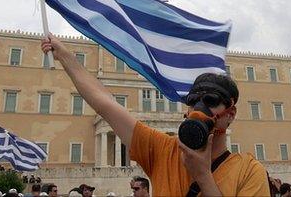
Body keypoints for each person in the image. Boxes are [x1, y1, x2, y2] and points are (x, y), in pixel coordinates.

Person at [41, 34, 269, 196]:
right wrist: (66, 57)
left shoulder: (250, 171)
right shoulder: (163, 151)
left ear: (230, 114)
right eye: (193, 101)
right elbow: (104, 104)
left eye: (211, 101)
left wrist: (203, 176)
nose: (200, 109)